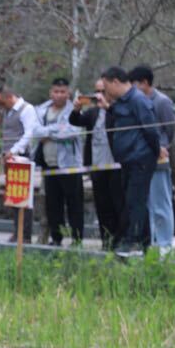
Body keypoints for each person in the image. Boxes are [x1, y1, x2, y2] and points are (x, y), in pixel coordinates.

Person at [101, 66, 160, 257]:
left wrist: (154, 153)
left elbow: (151, 130)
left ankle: (133, 241)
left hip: (140, 159)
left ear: (116, 82)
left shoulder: (138, 100)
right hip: (127, 160)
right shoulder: (121, 102)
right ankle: (144, 242)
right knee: (131, 201)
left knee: (136, 201)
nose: (106, 92)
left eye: (107, 87)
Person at [70, 79, 126, 249]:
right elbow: (76, 121)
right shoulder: (93, 113)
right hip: (97, 166)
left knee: (118, 204)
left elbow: (124, 123)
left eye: (103, 91)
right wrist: (76, 109)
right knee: (102, 205)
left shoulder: (119, 110)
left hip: (116, 166)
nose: (99, 95)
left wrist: (108, 107)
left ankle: (120, 240)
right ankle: (106, 241)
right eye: (97, 91)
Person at [130, 65, 175, 253]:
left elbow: (172, 130)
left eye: (135, 84)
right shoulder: (136, 102)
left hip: (159, 160)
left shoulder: (162, 102)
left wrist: (163, 148)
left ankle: (165, 244)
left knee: (162, 203)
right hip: (142, 160)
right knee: (148, 204)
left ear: (144, 83)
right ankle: (152, 242)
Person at [32, 78, 85, 245]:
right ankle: (56, 238)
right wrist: (55, 130)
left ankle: (77, 240)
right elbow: (35, 130)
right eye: (56, 91)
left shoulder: (75, 110)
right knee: (53, 204)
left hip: (69, 165)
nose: (59, 95)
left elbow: (71, 131)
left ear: (68, 93)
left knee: (74, 204)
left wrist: (47, 133)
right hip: (49, 165)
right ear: (51, 92)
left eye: (63, 92)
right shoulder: (42, 110)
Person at [0, 86, 42, 241]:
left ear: (9, 97)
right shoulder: (8, 111)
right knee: (14, 196)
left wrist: (14, 150)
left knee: (23, 197)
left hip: (21, 157)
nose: (0, 106)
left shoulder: (26, 109)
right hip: (9, 157)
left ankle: (25, 234)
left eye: (1, 102)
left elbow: (29, 133)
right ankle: (17, 231)